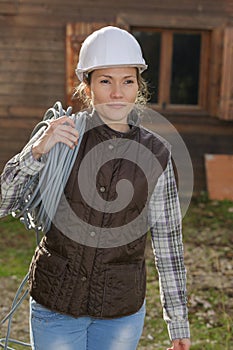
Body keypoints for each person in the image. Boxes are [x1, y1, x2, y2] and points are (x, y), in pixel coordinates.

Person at [0, 26, 191, 350]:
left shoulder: (157, 154)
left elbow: (168, 242)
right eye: (105, 81)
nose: (117, 93)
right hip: (55, 307)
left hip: (120, 313)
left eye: (127, 81)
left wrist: (178, 322)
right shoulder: (59, 136)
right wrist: (36, 152)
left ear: (138, 87)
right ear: (87, 87)